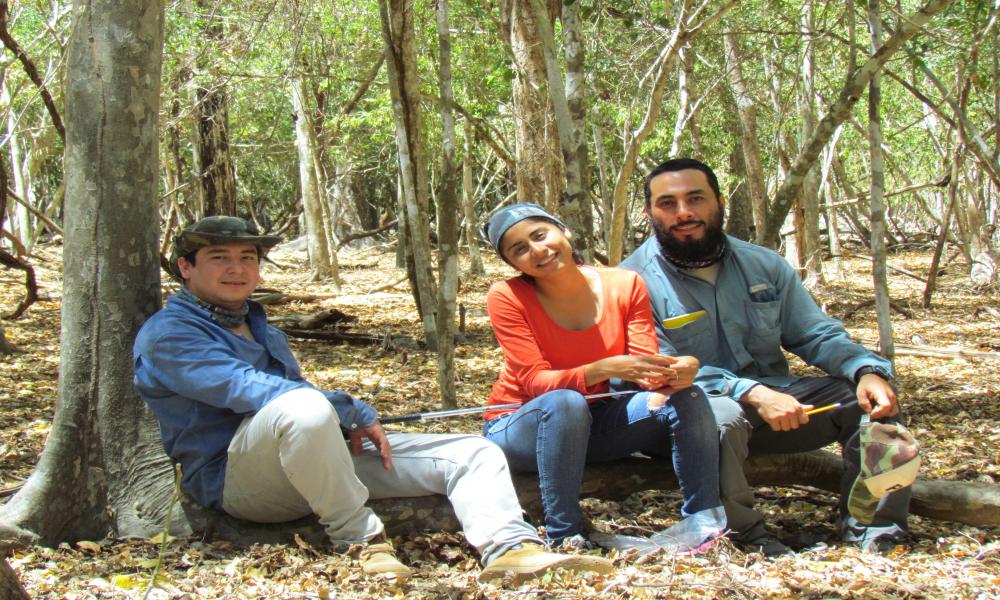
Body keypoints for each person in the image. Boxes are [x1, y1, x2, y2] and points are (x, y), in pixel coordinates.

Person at [133, 215, 613, 584]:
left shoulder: (258, 324)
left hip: (308, 464)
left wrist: (340, 422)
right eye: (219, 257)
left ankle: (511, 550)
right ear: (185, 268)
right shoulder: (169, 334)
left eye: (248, 257)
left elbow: (298, 409)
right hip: (236, 482)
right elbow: (248, 389)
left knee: (472, 451)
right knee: (305, 406)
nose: (237, 268)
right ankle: (361, 542)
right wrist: (343, 408)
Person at [621, 158, 911, 555]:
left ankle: (876, 531)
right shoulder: (630, 281)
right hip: (685, 418)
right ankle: (746, 537)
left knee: (869, 405)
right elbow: (659, 369)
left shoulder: (763, 264)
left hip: (778, 409)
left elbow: (814, 333)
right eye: (667, 203)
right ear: (649, 213)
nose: (684, 213)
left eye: (695, 199)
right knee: (717, 417)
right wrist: (753, 392)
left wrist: (866, 370)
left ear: (719, 202)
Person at [481, 203, 723, 548]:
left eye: (540, 235)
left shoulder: (625, 284)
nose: (537, 250)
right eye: (519, 249)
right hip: (519, 426)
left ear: (563, 230)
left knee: (688, 395)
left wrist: (680, 369)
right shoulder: (507, 296)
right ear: (512, 264)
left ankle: (704, 523)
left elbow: (645, 368)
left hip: (592, 423)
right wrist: (603, 368)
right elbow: (535, 382)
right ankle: (564, 535)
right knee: (566, 403)